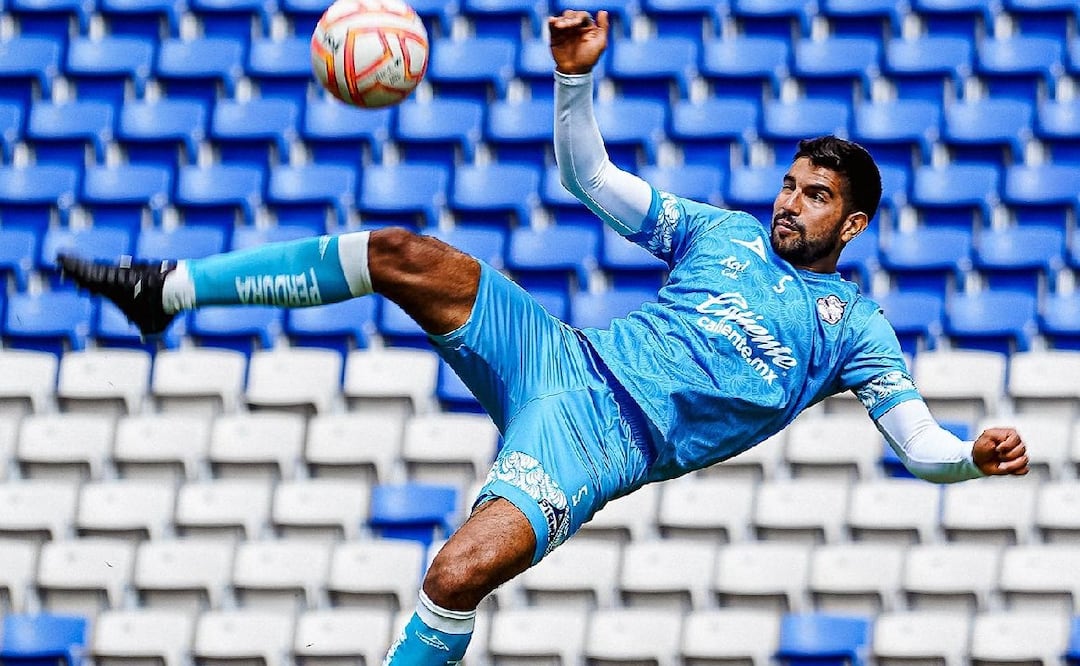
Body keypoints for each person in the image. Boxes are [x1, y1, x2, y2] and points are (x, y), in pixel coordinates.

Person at [61, 9, 1029, 666]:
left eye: (814, 196)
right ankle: (167, 290)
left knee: (454, 575)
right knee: (401, 253)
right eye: (788, 183)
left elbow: (919, 443)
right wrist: (576, 79)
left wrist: (971, 458)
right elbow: (589, 179)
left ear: (852, 223)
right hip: (560, 356)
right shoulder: (720, 232)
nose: (789, 202)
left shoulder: (855, 329)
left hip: (601, 441)